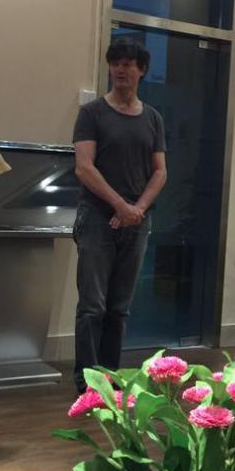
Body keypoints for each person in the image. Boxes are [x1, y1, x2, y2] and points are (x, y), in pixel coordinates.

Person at [72, 39, 167, 390]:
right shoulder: (92, 113)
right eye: (116, 63)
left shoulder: (153, 118)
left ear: (141, 70)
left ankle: (110, 377)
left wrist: (136, 209)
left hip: (136, 223)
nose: (121, 70)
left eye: (128, 63)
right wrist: (119, 206)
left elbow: (160, 172)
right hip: (97, 219)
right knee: (92, 306)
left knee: (119, 307)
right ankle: (87, 381)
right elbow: (84, 168)